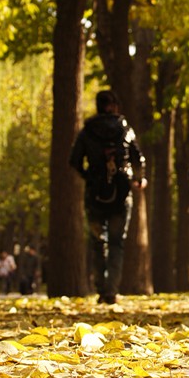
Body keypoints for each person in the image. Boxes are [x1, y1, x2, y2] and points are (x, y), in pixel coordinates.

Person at [70, 89, 146, 304]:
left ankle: (101, 289)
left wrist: (89, 177)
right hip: (121, 194)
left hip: (94, 195)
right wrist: (139, 179)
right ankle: (111, 289)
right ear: (115, 106)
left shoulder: (87, 131)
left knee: (97, 241)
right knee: (116, 243)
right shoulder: (125, 129)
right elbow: (138, 158)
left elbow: (74, 161)